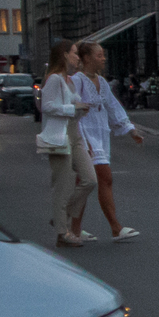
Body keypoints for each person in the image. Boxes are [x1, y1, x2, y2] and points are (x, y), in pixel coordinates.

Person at [72, 41, 145, 241]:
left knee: (84, 183)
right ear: (86, 58)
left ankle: (73, 228)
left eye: (103, 55)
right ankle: (115, 227)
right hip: (85, 135)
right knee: (104, 178)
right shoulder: (77, 80)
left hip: (100, 134)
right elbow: (73, 111)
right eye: (99, 56)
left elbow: (112, 107)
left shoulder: (102, 82)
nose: (103, 59)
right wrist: (81, 141)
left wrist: (130, 129)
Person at [37, 38, 91, 247]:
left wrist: (80, 108)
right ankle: (62, 232)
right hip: (59, 134)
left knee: (89, 179)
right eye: (75, 53)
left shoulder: (68, 80)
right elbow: (47, 106)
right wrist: (72, 109)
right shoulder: (53, 80)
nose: (78, 57)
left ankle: (62, 216)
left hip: (73, 132)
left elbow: (71, 104)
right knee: (64, 184)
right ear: (64, 55)